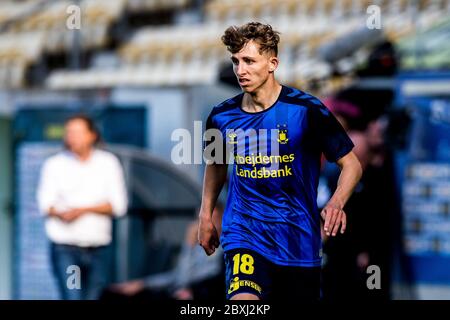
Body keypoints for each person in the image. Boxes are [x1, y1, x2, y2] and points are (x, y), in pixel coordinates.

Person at [197, 22, 362, 301]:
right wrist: (205, 214)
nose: (241, 70)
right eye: (236, 61)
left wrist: (336, 202)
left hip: (297, 238)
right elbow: (216, 166)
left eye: (249, 61)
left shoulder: (306, 110)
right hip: (244, 233)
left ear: (272, 63)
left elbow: (352, 165)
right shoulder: (221, 116)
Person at [36, 114, 128, 300]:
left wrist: (83, 211)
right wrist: (63, 213)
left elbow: (119, 205)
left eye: (77, 132)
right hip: (65, 248)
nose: (72, 137)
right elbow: (45, 204)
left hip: (98, 248)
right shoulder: (54, 164)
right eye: (69, 132)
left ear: (92, 135)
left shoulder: (108, 163)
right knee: (72, 296)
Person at [106, 205, 225, 301]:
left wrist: (188, 244)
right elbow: (176, 275)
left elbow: (184, 279)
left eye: (210, 219)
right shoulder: (199, 247)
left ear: (221, 221)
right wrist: (142, 284)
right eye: (200, 219)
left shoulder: (222, 251)